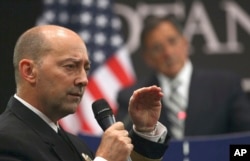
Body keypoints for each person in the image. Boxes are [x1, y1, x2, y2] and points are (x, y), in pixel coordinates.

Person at [0, 25, 169, 161]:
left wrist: (144, 131)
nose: (83, 80)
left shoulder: (77, 146)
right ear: (29, 71)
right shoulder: (6, 140)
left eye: (86, 69)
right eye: (70, 66)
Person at [116, 15, 250, 140]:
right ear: (147, 58)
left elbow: (245, 141)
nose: (168, 53)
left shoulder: (224, 86)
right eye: (157, 48)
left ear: (185, 43)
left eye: (172, 41)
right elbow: (124, 148)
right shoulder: (134, 98)